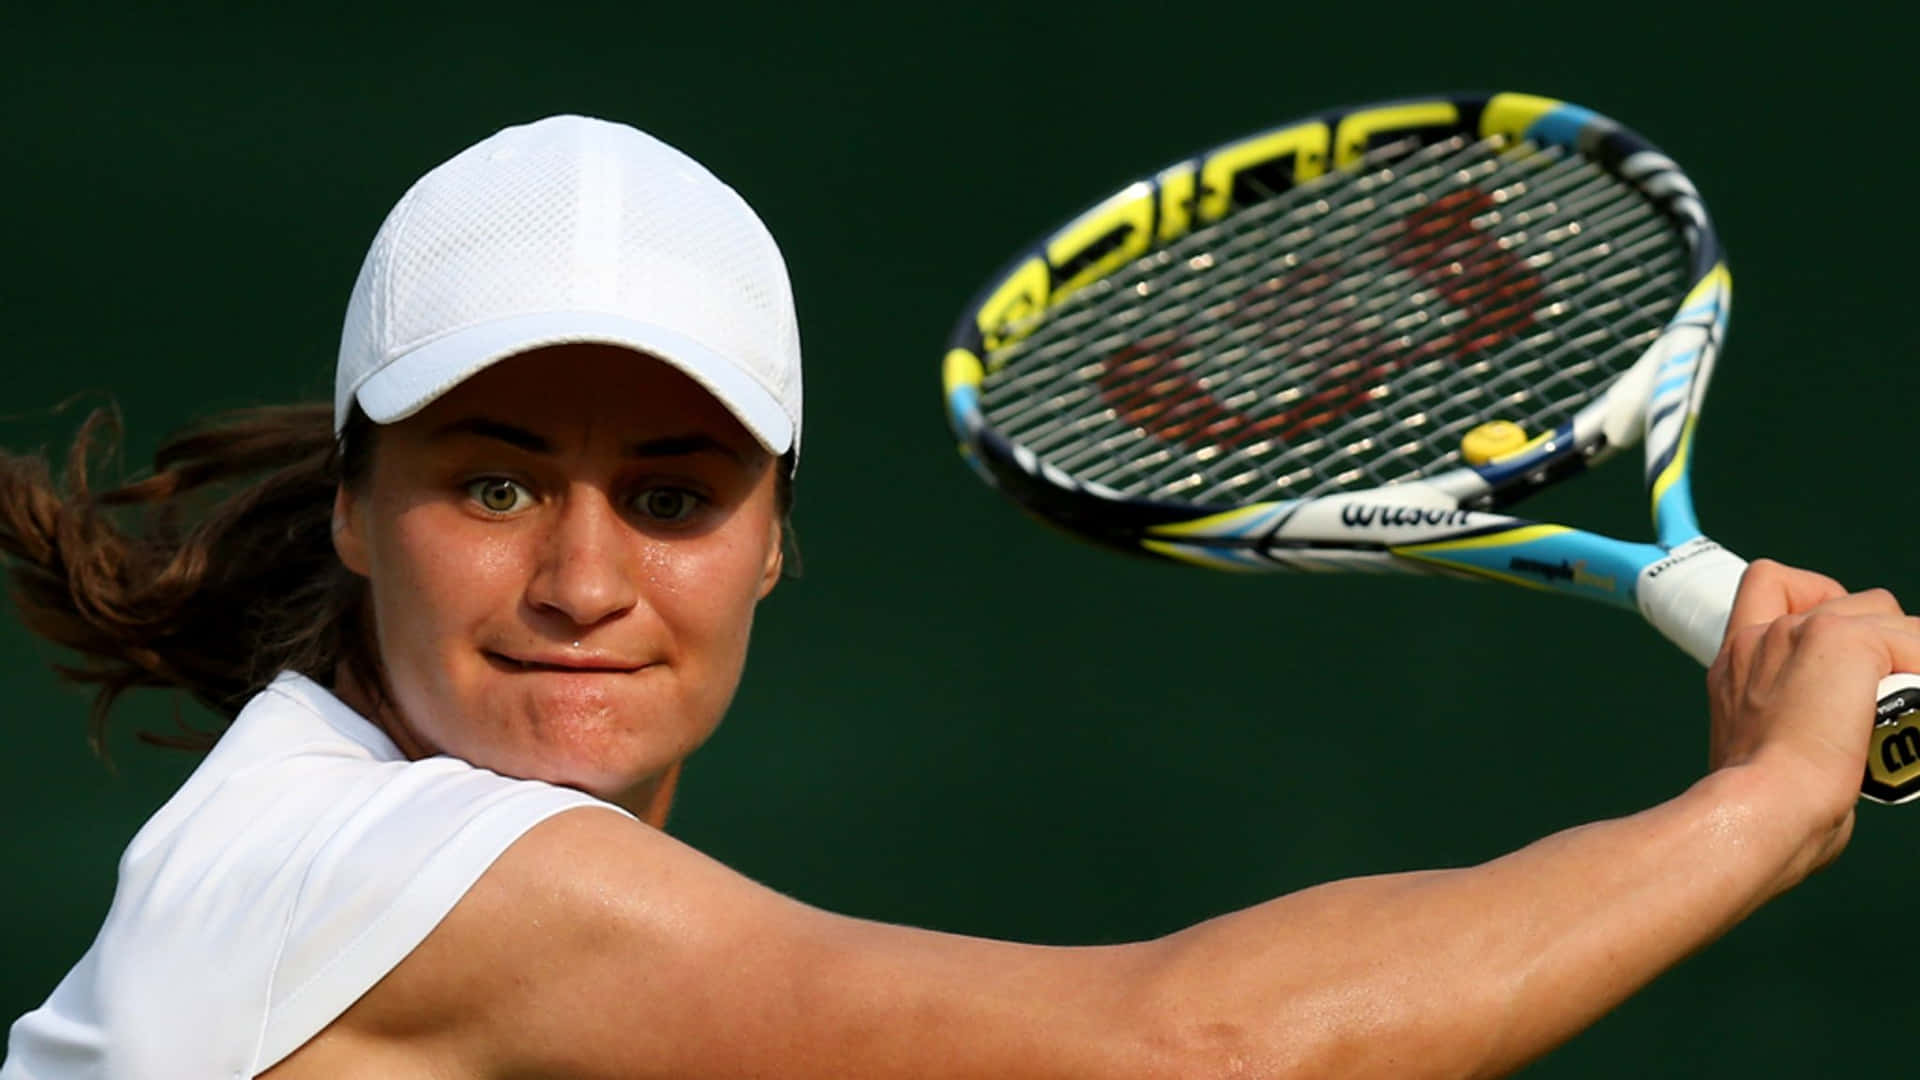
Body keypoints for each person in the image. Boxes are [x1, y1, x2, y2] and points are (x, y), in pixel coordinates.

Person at [1, 113, 1915, 1080]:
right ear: (354, 510)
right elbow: (1199, 1057)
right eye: (492, 482)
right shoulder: (364, 871)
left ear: (774, 541)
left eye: (671, 495)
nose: (582, 581)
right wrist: (1770, 800)